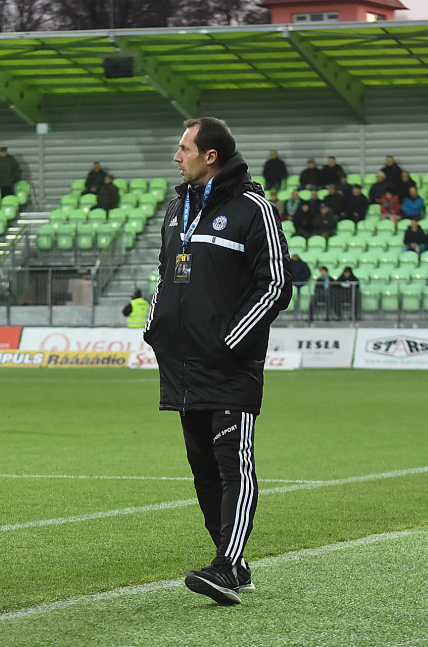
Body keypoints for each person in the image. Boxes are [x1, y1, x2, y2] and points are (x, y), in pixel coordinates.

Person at [143, 117, 291, 606]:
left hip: (230, 366)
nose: (175, 156)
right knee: (203, 471)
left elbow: (275, 285)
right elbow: (165, 274)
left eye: (183, 147)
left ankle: (226, 567)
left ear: (210, 156)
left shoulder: (254, 209)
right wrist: (155, 327)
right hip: (183, 366)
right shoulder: (175, 207)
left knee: (233, 467)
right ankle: (236, 566)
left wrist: (232, 341)